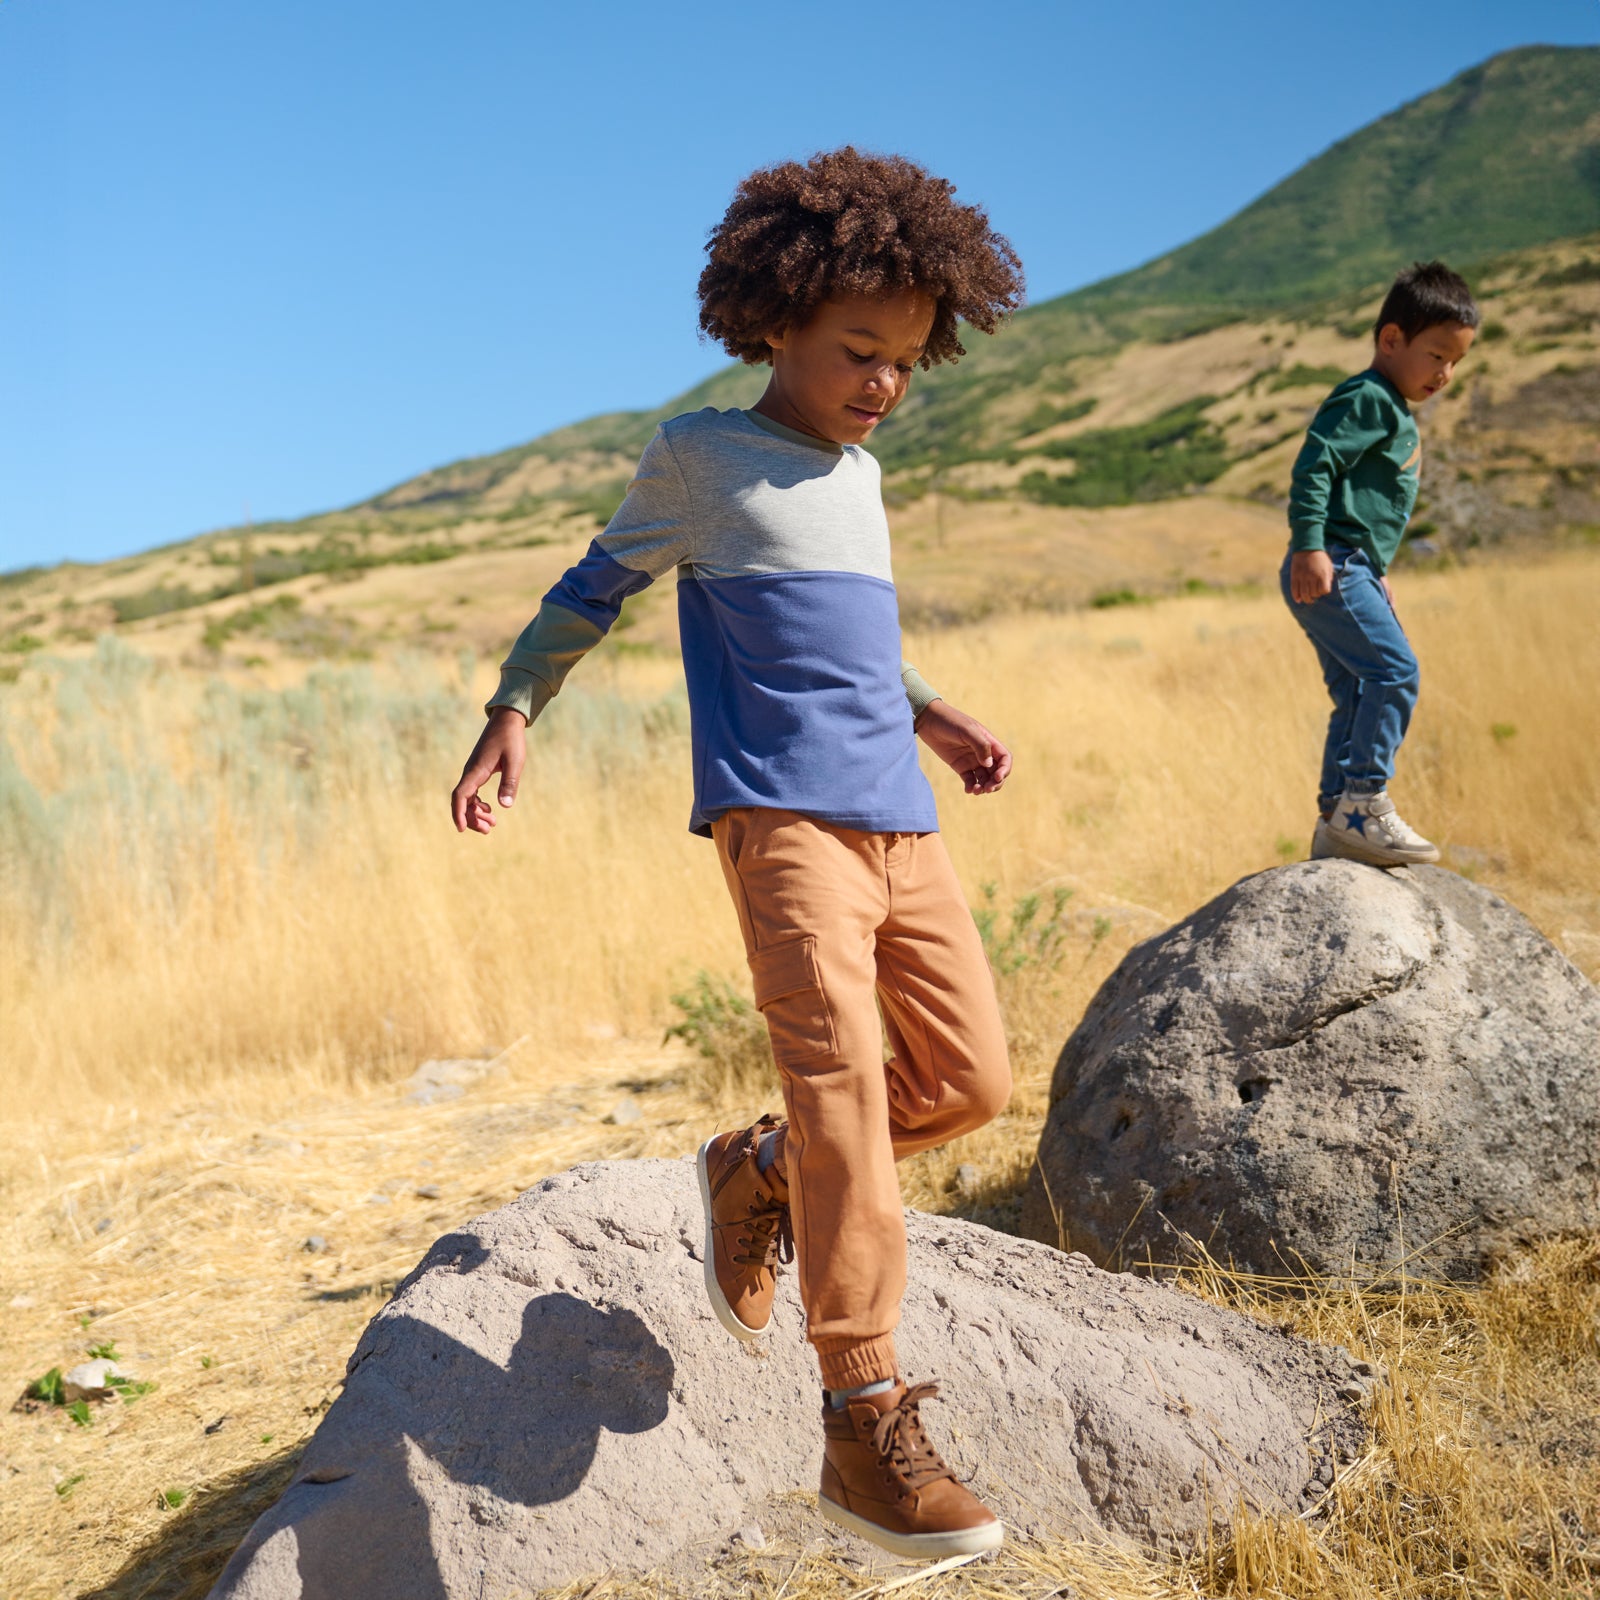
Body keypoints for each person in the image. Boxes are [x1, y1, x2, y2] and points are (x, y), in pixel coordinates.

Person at [450, 147, 1024, 1559]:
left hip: (902, 819)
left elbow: (849, 648)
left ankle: (755, 1171)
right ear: (774, 319)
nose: (883, 380)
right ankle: (864, 1421)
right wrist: (513, 708)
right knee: (844, 1096)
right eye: (857, 350)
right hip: (782, 828)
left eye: (907, 357)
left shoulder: (859, 474)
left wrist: (934, 714)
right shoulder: (702, 457)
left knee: (969, 1083)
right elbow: (593, 587)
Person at [1282, 259, 1478, 866]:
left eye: (1456, 362)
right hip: (1330, 562)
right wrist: (1312, 545)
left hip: (1350, 563)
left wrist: (1377, 568)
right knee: (1394, 673)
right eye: (1437, 355)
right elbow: (1316, 466)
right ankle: (1364, 803)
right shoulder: (1369, 398)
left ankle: (1336, 814)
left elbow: (1363, 502)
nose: (1445, 373)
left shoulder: (1392, 410)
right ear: (1391, 340)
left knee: (1357, 691)